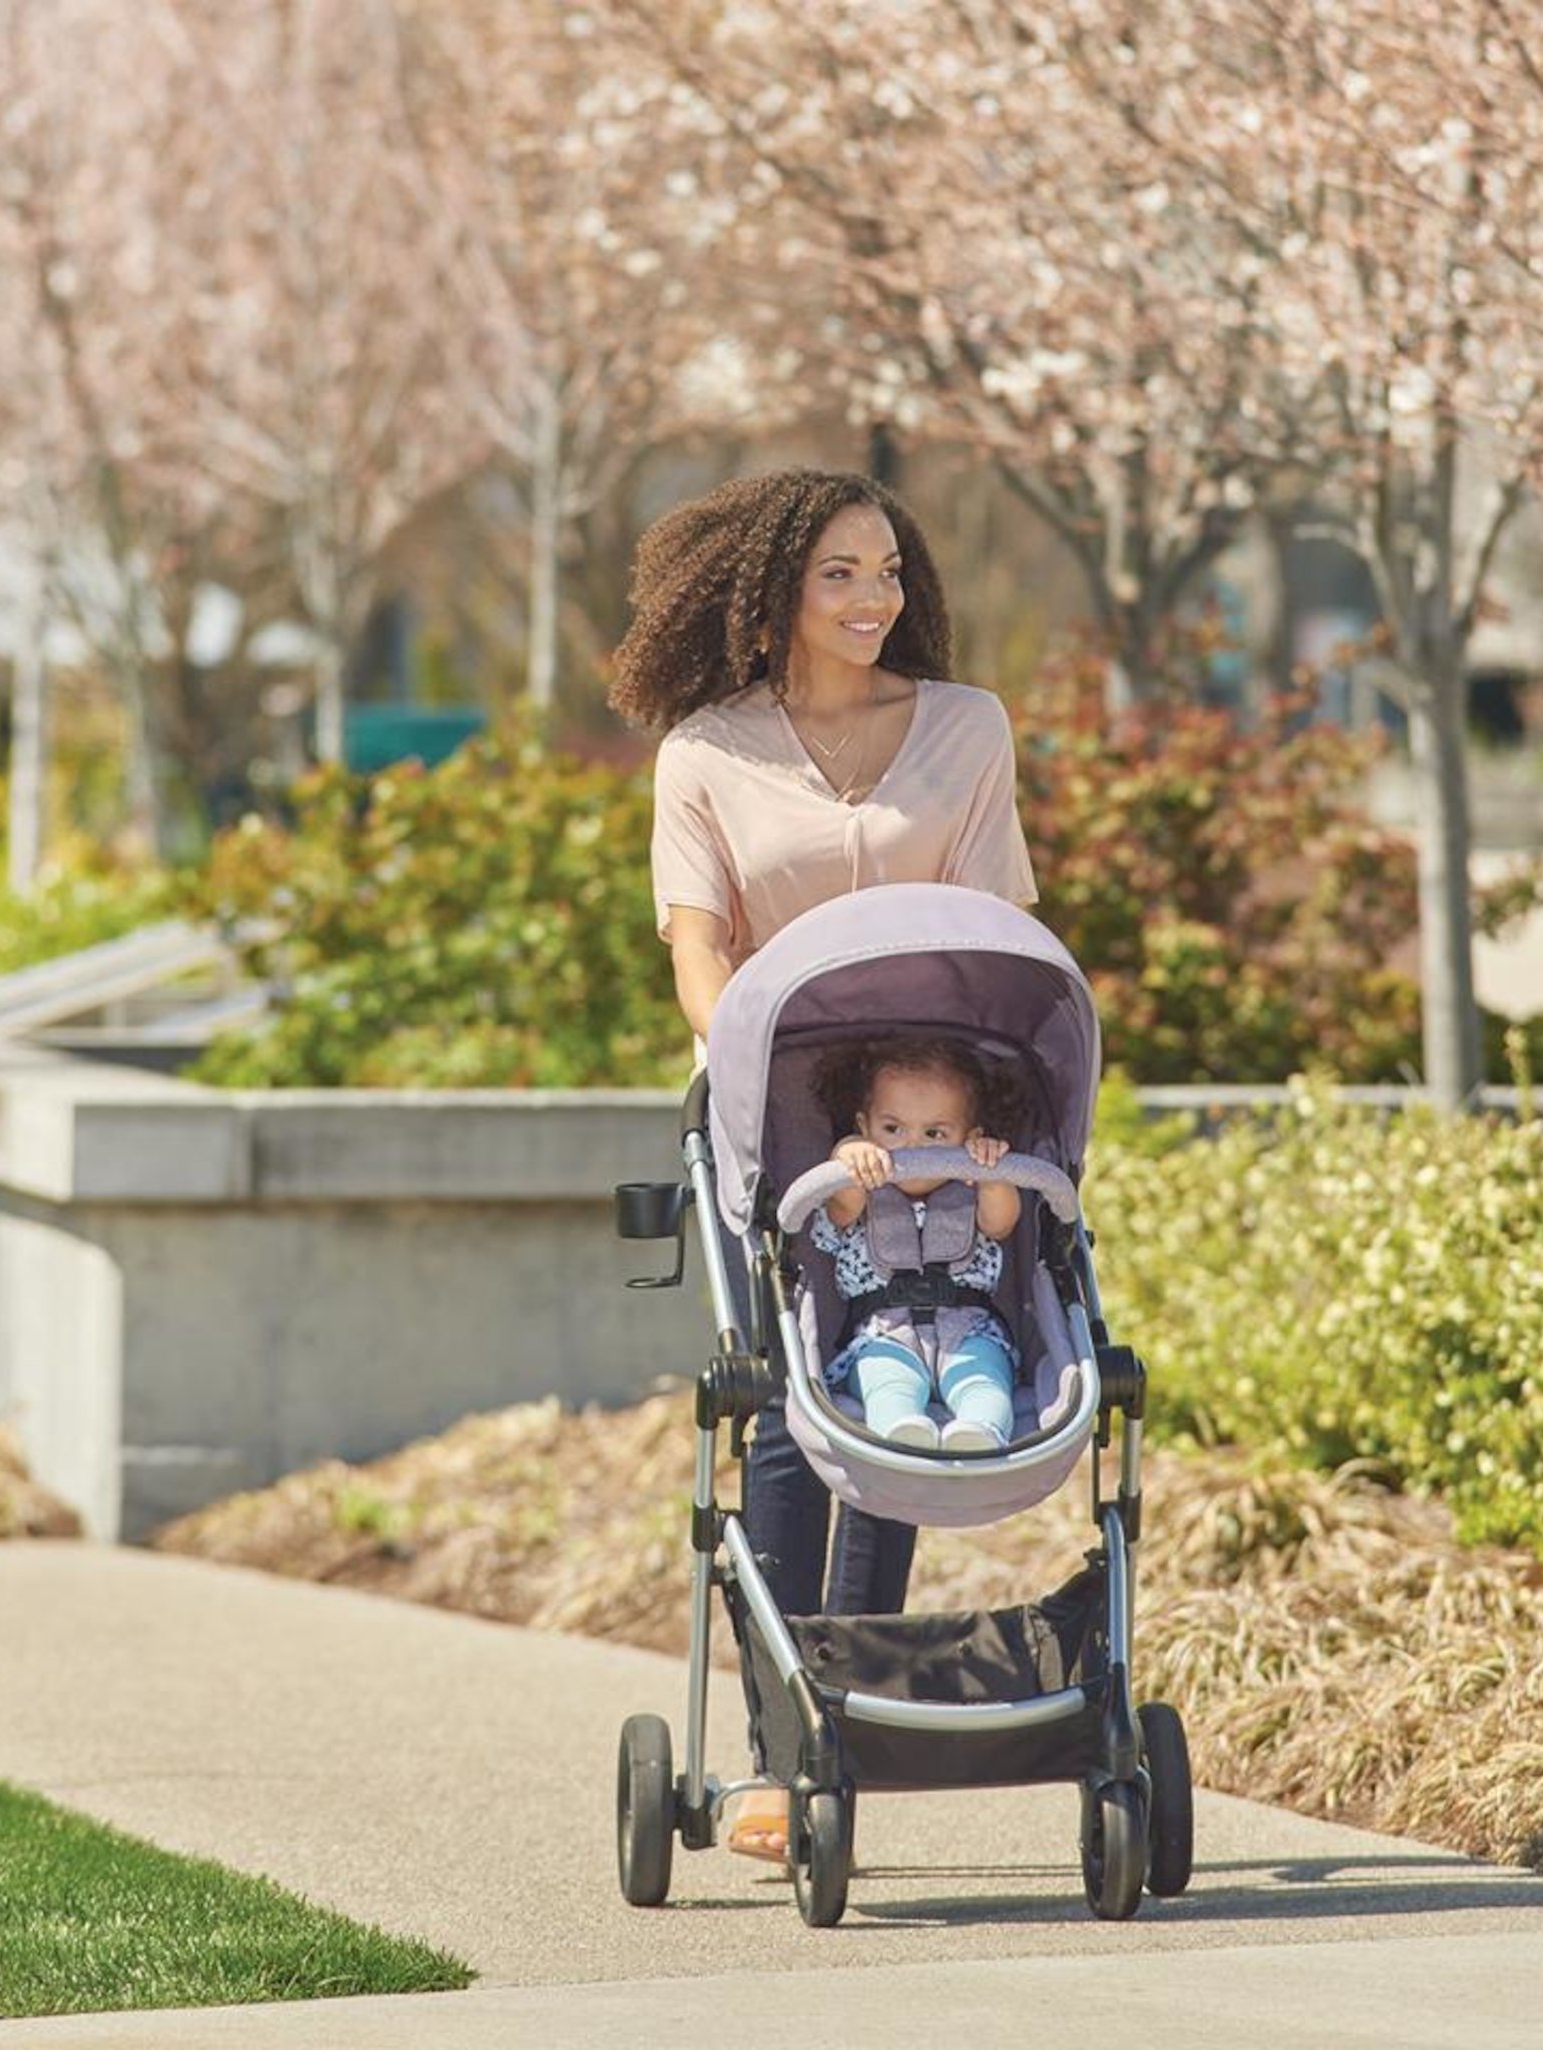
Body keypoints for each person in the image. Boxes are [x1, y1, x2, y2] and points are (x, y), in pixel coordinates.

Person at [610, 466, 1037, 1861]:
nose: (875, 598)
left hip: (927, 1109)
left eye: (891, 571)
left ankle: (846, 1719)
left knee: (895, 1393)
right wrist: (744, 1049)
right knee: (791, 1408)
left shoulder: (965, 728)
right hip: (771, 1107)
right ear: (774, 589)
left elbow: (993, 920)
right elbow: (696, 942)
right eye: (842, 573)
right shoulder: (704, 753)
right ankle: (771, 1748)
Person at [809, 1039, 1023, 1454]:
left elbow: (1001, 1224)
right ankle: (902, 1431)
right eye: (893, 1129)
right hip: (883, 1333)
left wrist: (991, 1170)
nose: (912, 1147)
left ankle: (981, 1430)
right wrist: (847, 1156)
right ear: (865, 1126)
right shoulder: (859, 1195)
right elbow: (840, 1205)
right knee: (888, 1382)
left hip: (968, 1328)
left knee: (984, 1379)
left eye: (934, 1133)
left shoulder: (971, 1189)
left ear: (968, 1137)